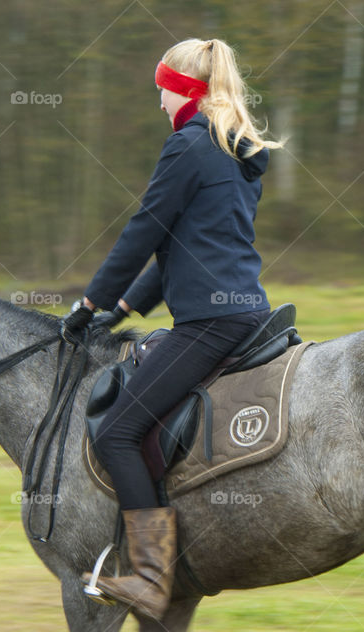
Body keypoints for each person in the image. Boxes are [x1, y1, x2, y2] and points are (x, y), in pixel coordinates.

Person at [62, 37, 281, 620]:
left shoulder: (187, 146)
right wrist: (124, 309)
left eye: (160, 88)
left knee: (115, 433)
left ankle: (152, 578)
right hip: (244, 311)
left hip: (211, 321)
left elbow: (146, 229)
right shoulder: (233, 149)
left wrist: (89, 302)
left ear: (181, 89)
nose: (157, 101)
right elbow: (184, 245)